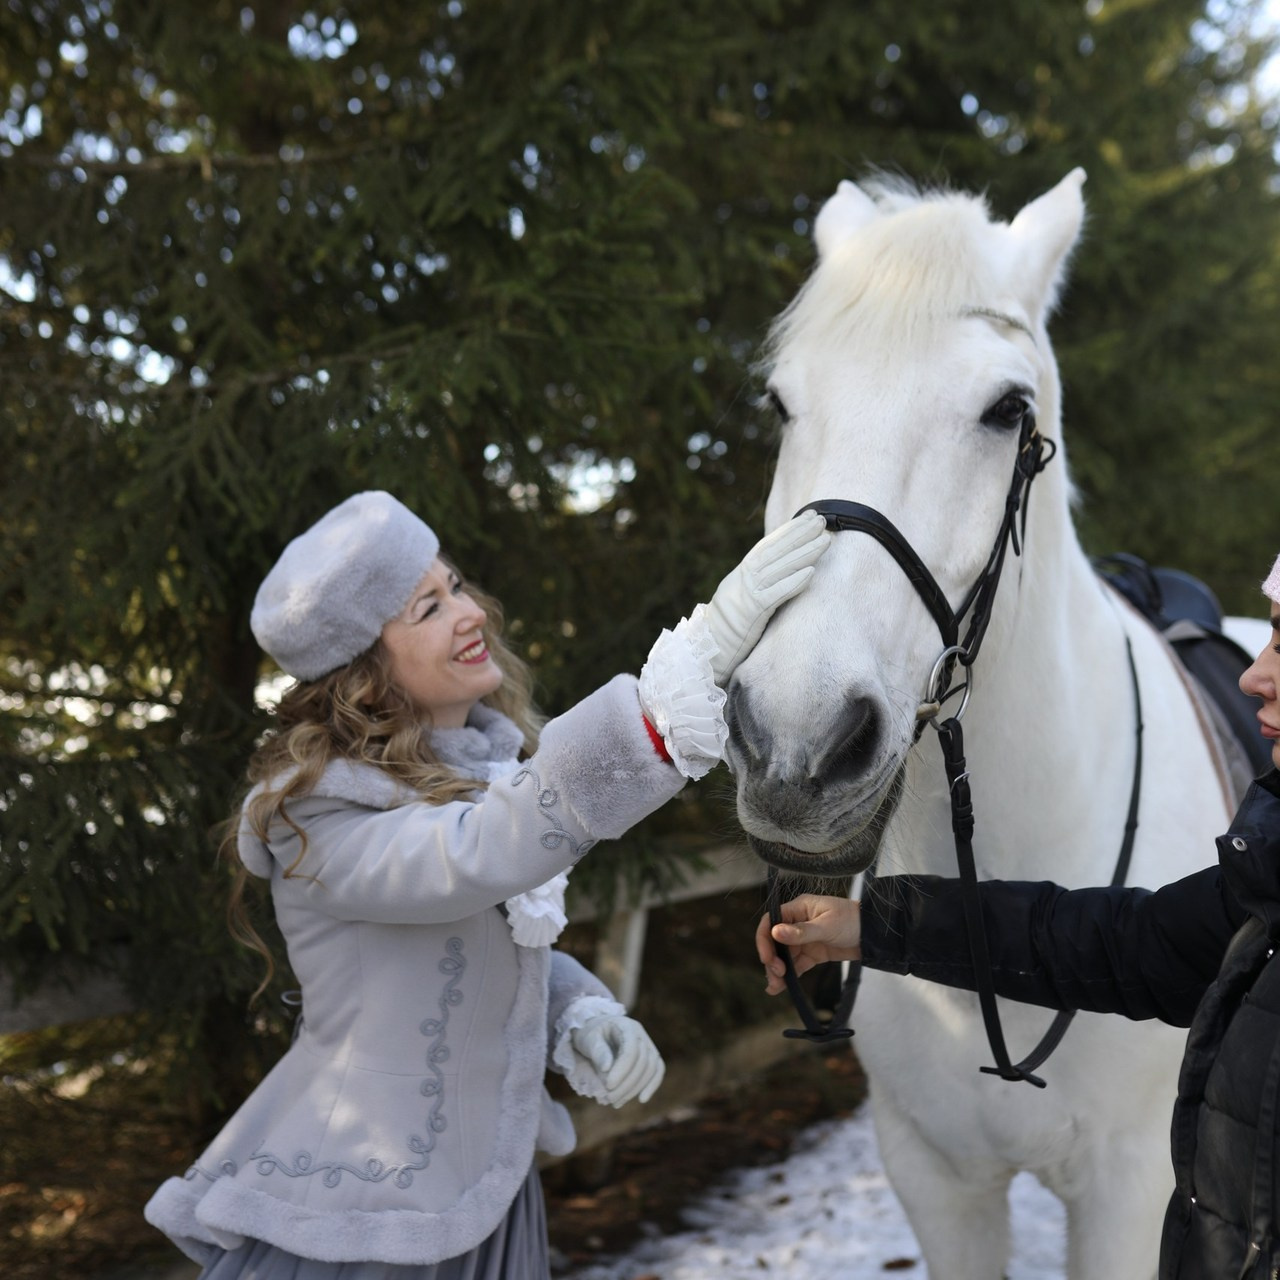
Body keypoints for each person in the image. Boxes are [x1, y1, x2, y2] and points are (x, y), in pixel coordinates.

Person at [146, 489, 830, 1280]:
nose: (469, 613)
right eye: (427, 606)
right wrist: (679, 679)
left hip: (487, 1206)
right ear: (363, 669)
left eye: (456, 585)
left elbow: (467, 950)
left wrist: (572, 1012)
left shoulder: (473, 773)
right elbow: (472, 859)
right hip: (365, 1227)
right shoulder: (316, 818)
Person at [756, 553, 1280, 1280]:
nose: (1254, 675)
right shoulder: (1258, 887)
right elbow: (1116, 946)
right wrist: (870, 925)